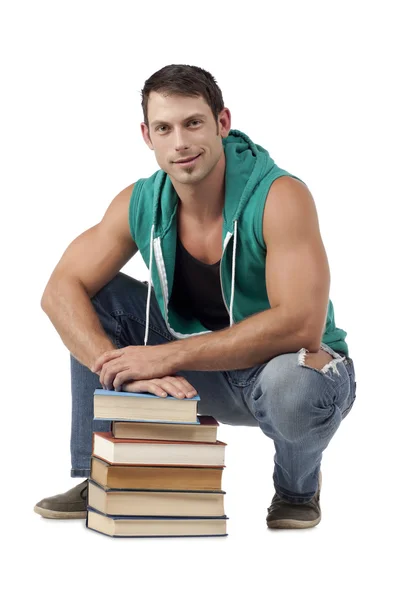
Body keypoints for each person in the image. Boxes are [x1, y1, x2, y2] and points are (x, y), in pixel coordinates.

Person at [34, 64, 357, 529]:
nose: (180, 142)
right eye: (164, 128)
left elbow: (301, 325)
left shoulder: (280, 196)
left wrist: (162, 356)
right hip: (197, 374)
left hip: (286, 369)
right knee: (96, 296)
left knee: (295, 385)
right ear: (147, 136)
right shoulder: (139, 202)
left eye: (193, 123)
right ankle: (101, 473)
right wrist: (119, 365)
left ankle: (297, 488)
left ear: (222, 123)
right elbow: (59, 291)